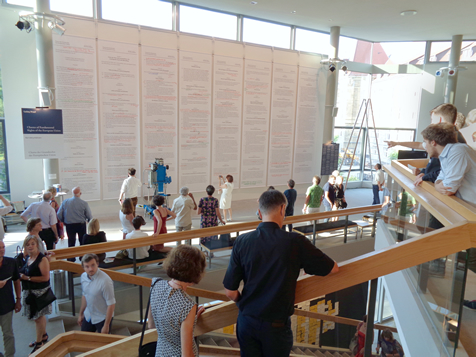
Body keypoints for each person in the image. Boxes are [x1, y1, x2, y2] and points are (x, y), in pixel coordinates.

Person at [223, 190, 338, 357]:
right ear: (283, 209)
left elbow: (230, 292)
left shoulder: (242, 241)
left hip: (247, 321)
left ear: (260, 212)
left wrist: (244, 304)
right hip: (275, 327)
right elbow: (332, 268)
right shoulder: (295, 242)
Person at [148, 245, 206, 357]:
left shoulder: (156, 284)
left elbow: (151, 325)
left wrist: (191, 320)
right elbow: (186, 355)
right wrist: (189, 319)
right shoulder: (187, 305)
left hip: (161, 351)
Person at [18, 235, 52, 354]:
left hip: (40, 293)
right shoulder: (29, 258)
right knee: (37, 317)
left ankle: (39, 344)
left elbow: (45, 277)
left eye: (32, 244)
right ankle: (43, 336)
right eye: (27, 245)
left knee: (38, 317)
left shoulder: (42, 259)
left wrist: (28, 278)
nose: (30, 246)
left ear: (37, 245)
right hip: (31, 292)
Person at [78, 253, 115, 334]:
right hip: (89, 315)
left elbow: (111, 304)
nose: (90, 269)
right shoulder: (83, 277)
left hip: (102, 317)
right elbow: (85, 295)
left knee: (103, 343)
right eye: (87, 266)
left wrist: (106, 325)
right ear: (83, 267)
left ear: (97, 264)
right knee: (84, 339)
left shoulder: (105, 281)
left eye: (93, 265)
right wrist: (81, 314)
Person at [57, 187, 93, 258]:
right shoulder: (84, 203)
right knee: (82, 241)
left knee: (71, 241)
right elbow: (89, 215)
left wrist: (63, 221)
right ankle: (83, 257)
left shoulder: (65, 202)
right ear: (80, 193)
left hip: (69, 225)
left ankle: (71, 258)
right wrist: (89, 221)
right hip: (81, 225)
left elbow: (59, 214)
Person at [0, 241, 21, 357]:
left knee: (8, 333)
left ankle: (9, 355)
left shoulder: (11, 262)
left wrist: (18, 300)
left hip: (6, 304)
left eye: (3, 247)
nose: (2, 250)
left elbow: (16, 281)